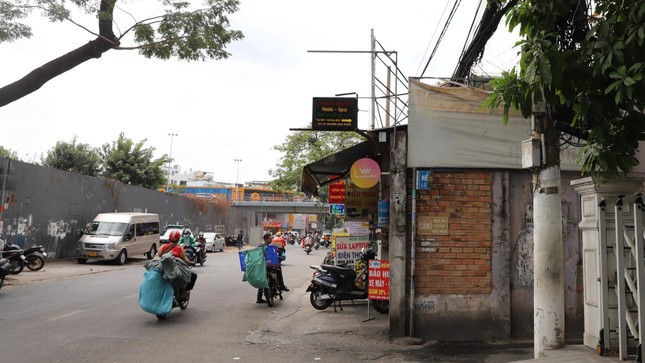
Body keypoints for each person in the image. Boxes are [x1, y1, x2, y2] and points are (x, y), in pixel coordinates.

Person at [156, 230, 196, 297]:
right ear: (178, 239)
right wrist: (192, 263)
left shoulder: (163, 247)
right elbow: (186, 261)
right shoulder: (180, 249)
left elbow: (159, 255)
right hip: (176, 270)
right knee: (193, 276)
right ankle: (184, 292)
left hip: (164, 269)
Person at [257, 232, 289, 303]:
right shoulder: (264, 246)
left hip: (264, 266)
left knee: (263, 279)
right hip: (266, 266)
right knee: (278, 270)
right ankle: (282, 285)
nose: (271, 239)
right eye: (270, 238)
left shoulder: (267, 246)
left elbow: (278, 252)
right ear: (266, 239)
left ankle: (259, 298)